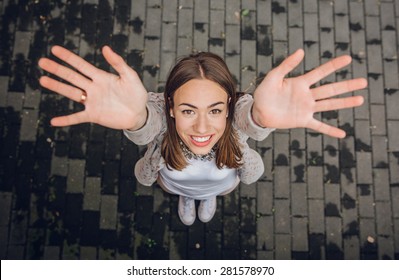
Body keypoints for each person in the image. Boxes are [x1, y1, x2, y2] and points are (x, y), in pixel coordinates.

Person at [38, 46, 367, 225]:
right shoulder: (160, 126)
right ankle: (187, 197)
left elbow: (252, 172)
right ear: (169, 107)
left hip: (221, 185)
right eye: (187, 110)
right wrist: (138, 119)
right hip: (174, 183)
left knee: (210, 191)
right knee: (183, 189)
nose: (201, 128)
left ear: (228, 107)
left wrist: (259, 120)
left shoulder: (236, 126)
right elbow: (144, 171)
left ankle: (205, 197)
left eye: (214, 110)